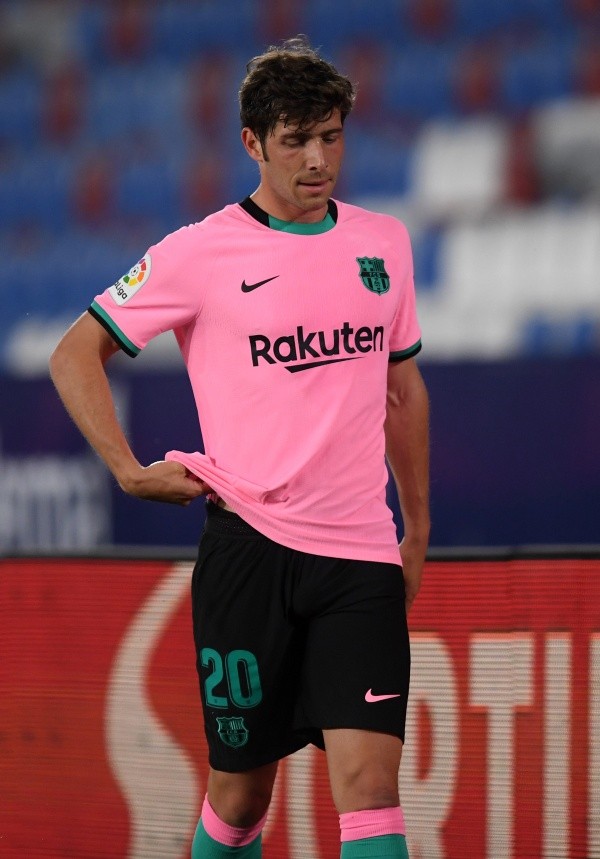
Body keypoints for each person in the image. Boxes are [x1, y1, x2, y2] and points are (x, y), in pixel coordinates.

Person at [49, 37, 430, 859]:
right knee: (241, 791)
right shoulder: (198, 252)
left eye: (330, 135)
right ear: (252, 143)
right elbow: (74, 351)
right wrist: (125, 467)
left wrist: (419, 526)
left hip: (359, 556)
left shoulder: (385, 244)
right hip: (248, 553)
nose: (318, 157)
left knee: (369, 785)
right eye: (296, 139)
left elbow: (402, 391)